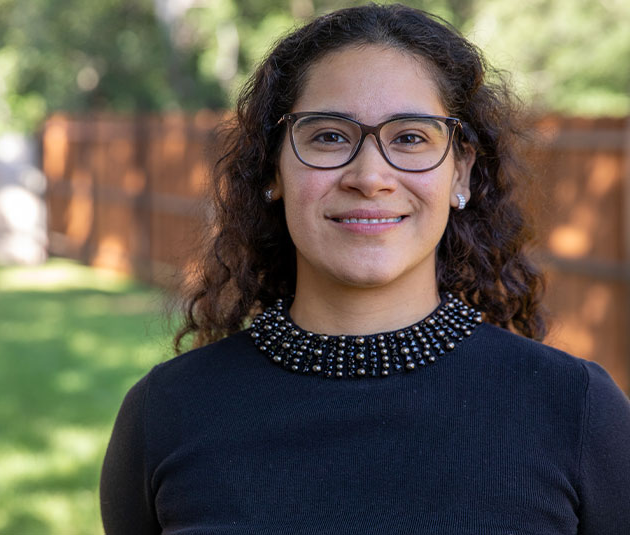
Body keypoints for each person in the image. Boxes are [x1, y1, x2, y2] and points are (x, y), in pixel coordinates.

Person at [100, 4, 630, 533]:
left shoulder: (578, 411)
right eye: (329, 135)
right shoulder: (165, 414)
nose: (370, 176)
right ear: (273, 169)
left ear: (460, 173)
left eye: (410, 137)